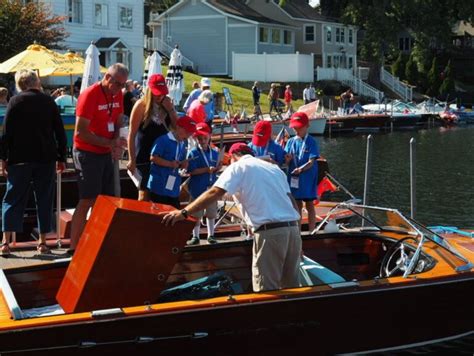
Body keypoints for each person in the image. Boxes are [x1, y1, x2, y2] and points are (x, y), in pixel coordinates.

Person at [162, 142, 301, 292]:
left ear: (232, 157)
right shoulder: (274, 169)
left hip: (269, 233)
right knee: (292, 288)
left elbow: (215, 192)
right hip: (293, 230)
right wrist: (299, 238)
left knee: (267, 292)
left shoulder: (238, 167)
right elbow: (291, 202)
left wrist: (184, 213)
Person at [0, 69, 67, 256]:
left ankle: (5, 242)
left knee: (12, 199)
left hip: (19, 159)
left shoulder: (14, 101)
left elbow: (6, 133)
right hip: (45, 158)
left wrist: (3, 158)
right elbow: (59, 132)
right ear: (36, 82)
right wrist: (62, 157)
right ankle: (43, 242)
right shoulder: (48, 101)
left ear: (20, 84)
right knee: (44, 199)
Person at [69, 63, 129, 253]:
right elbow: (81, 132)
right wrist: (109, 143)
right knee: (87, 199)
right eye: (118, 84)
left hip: (105, 152)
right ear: (108, 78)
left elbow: (118, 118)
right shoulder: (89, 95)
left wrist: (120, 138)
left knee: (105, 200)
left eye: (123, 85)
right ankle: (74, 247)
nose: (120, 89)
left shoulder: (117, 93)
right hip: (87, 152)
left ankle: (96, 241)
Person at [127, 73, 179, 201]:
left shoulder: (167, 104)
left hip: (163, 155)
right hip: (144, 155)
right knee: (144, 192)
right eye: (157, 93)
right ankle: (143, 219)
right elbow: (132, 134)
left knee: (160, 192)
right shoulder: (141, 105)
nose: (159, 96)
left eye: (162, 93)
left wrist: (171, 110)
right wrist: (131, 159)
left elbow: (178, 129)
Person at [148, 115, 197, 209]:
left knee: (174, 212)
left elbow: (179, 162)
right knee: (160, 214)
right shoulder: (163, 140)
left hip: (173, 186)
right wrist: (170, 164)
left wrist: (183, 164)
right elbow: (153, 158)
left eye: (190, 132)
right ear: (178, 127)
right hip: (160, 185)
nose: (188, 134)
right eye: (187, 131)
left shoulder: (183, 143)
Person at [186, 122, 221, 245]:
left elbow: (216, 168)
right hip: (197, 188)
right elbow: (192, 171)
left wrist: (218, 167)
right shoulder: (193, 153)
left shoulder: (215, 153)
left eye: (205, 138)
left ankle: (211, 235)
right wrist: (207, 170)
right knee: (196, 213)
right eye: (199, 138)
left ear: (209, 136)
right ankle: (196, 236)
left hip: (211, 188)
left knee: (211, 213)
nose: (202, 141)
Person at [285, 112, 320, 232]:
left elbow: (311, 161)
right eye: (295, 128)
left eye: (299, 127)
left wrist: (301, 169)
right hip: (294, 177)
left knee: (309, 204)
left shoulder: (311, 141)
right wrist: (287, 159)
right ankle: (297, 232)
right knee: (297, 205)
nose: (296, 130)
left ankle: (312, 231)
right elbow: (286, 159)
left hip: (307, 177)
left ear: (307, 126)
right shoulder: (290, 142)